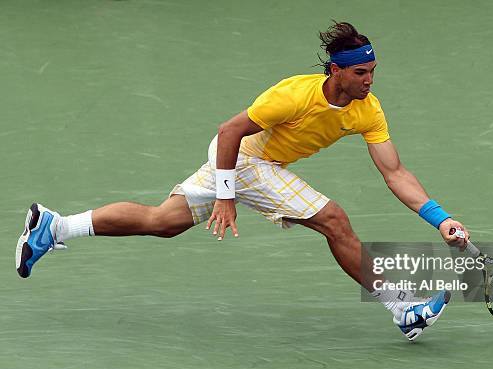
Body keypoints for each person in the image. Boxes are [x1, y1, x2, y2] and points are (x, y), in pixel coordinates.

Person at [16, 21, 469, 341]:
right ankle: (402, 307)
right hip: (245, 161)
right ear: (336, 71)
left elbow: (394, 171)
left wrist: (440, 218)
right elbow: (231, 130)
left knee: (163, 221)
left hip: (245, 164)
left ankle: (53, 227)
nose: (370, 81)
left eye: (372, 71)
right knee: (334, 220)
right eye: (360, 73)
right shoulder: (292, 95)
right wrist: (227, 197)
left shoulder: (368, 109)